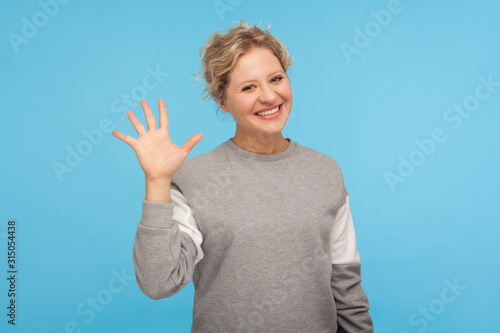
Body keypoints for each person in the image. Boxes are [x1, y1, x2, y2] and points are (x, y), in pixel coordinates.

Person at [112, 20, 374, 333]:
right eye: (248, 87)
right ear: (222, 101)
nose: (268, 96)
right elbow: (158, 282)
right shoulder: (195, 179)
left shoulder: (325, 171)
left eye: (276, 79)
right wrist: (157, 181)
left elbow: (346, 284)